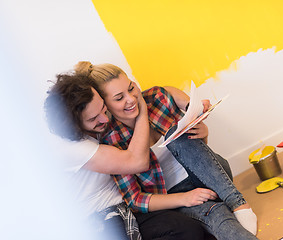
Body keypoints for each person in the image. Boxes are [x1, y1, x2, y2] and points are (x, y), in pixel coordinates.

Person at [74, 61, 259, 240]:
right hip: (173, 198)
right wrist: (185, 198)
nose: (130, 99)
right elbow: (135, 199)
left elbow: (197, 152)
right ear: (105, 105)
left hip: (209, 176)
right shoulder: (111, 140)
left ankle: (238, 203)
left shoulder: (156, 98)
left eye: (131, 88)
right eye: (119, 98)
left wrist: (203, 133)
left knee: (176, 135)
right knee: (216, 214)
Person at [44, 73, 207, 240]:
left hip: (127, 207)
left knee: (192, 229)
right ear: (75, 125)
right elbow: (138, 162)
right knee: (186, 230)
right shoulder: (76, 148)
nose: (104, 118)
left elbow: (159, 92)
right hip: (100, 219)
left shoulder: (96, 122)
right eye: (93, 118)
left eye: (102, 107)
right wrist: (142, 112)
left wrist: (189, 105)